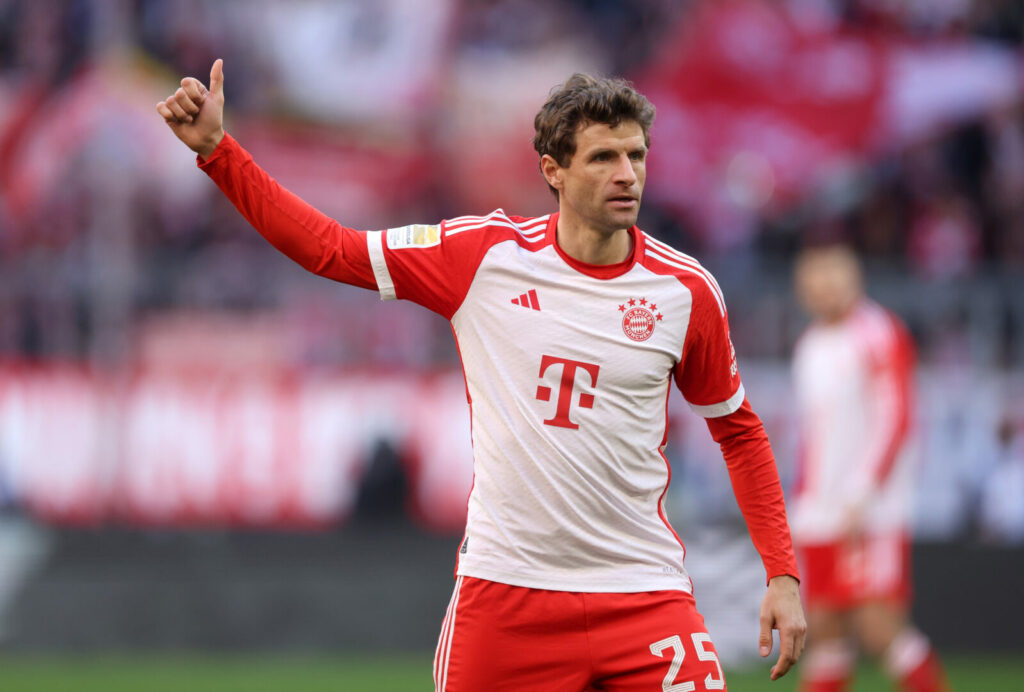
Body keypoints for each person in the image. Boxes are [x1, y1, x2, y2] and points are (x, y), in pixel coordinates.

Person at [157, 59, 805, 691]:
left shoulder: (684, 291)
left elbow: (739, 432)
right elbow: (331, 249)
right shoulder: (483, 257)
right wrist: (219, 152)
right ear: (553, 170)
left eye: (636, 155)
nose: (626, 174)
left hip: (642, 592)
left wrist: (781, 573)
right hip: (508, 594)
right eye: (603, 157)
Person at [791, 244, 949, 692]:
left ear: (853, 281)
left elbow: (896, 417)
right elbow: (812, 436)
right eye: (815, 284)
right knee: (824, 628)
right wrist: (802, 500)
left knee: (878, 625)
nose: (824, 292)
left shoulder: (877, 332)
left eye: (832, 280)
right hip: (821, 508)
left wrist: (863, 491)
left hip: (869, 509)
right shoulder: (810, 345)